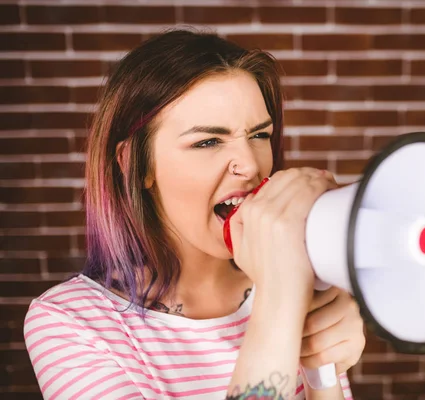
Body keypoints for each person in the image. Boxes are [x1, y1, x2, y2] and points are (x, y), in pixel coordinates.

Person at [23, 28, 365, 399]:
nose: (250, 165)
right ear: (136, 166)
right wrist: (282, 296)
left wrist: (322, 369)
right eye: (208, 141)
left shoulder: (299, 281)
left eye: (259, 135)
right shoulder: (68, 323)